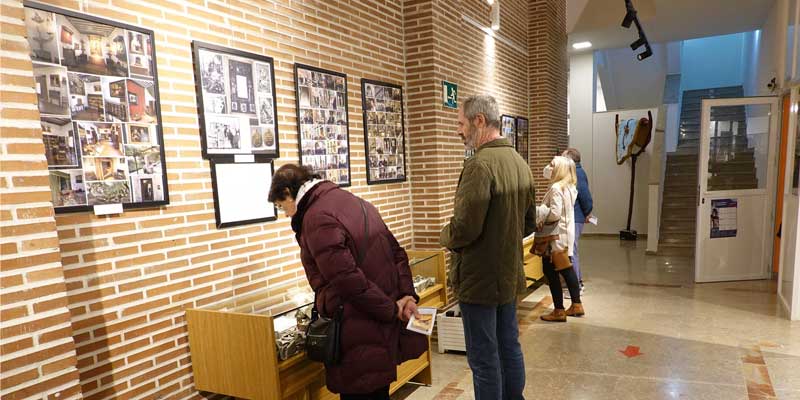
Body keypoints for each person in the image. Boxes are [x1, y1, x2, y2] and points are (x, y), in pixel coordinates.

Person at [268, 164, 427, 400]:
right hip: (378, 322)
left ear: (288, 193)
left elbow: (348, 281)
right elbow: (397, 254)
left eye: (282, 206)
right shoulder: (356, 202)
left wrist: (391, 309)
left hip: (356, 327)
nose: (286, 214)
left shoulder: (316, 218)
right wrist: (406, 296)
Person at [440, 95, 535, 400]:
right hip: (508, 274)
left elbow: (466, 227)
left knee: (483, 359)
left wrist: (445, 235)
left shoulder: (479, 165)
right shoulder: (520, 163)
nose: (459, 131)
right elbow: (530, 223)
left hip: (480, 281)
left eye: (461, 123)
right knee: (509, 346)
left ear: (479, 121)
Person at [538, 156, 584, 322]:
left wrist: (541, 213)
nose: (548, 167)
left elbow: (555, 213)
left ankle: (558, 309)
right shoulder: (569, 187)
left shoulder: (557, 188)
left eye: (551, 165)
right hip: (565, 233)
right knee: (566, 268)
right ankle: (576, 304)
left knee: (551, 271)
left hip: (554, 235)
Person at [562, 148, 593, 293]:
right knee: (571, 251)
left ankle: (577, 286)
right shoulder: (574, 173)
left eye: (563, 158)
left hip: (575, 218)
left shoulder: (577, 173)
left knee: (572, 251)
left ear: (570, 160)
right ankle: (576, 282)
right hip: (574, 217)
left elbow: (585, 196)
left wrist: (588, 212)